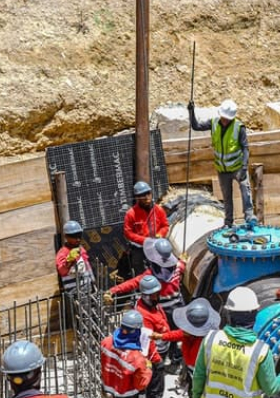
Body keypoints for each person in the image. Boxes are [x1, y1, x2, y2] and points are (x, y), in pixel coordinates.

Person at [152, 298, 219, 398]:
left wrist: (195, 394)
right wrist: (162, 336)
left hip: (201, 379)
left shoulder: (205, 343)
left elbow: (200, 372)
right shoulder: (191, 335)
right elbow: (179, 334)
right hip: (193, 375)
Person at [106, 238, 185, 363]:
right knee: (175, 334)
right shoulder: (178, 268)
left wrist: (114, 290)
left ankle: (162, 356)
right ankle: (175, 355)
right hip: (178, 307)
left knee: (163, 334)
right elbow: (183, 264)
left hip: (162, 310)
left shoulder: (150, 275)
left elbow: (132, 283)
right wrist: (184, 260)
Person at [187, 100, 256, 229]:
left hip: (237, 168)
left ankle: (249, 217)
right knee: (227, 196)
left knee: (245, 190)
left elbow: (245, 148)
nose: (224, 120)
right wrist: (191, 112)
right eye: (223, 117)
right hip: (222, 169)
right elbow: (196, 126)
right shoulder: (213, 123)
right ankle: (228, 221)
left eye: (227, 119)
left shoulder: (238, 127)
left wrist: (244, 167)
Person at [123, 181, 169, 276]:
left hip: (157, 247)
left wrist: (160, 234)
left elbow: (165, 225)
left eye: (148, 193)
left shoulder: (158, 210)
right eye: (143, 195)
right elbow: (128, 233)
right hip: (140, 249)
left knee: (160, 271)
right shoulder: (131, 214)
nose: (147, 197)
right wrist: (145, 240)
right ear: (137, 198)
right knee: (142, 274)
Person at [55, 220, 93, 296]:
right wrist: (69, 261)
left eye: (79, 235)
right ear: (66, 236)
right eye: (73, 236)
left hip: (87, 288)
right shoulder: (63, 252)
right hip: (73, 292)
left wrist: (93, 281)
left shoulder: (81, 249)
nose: (77, 239)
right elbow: (62, 271)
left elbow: (87, 266)